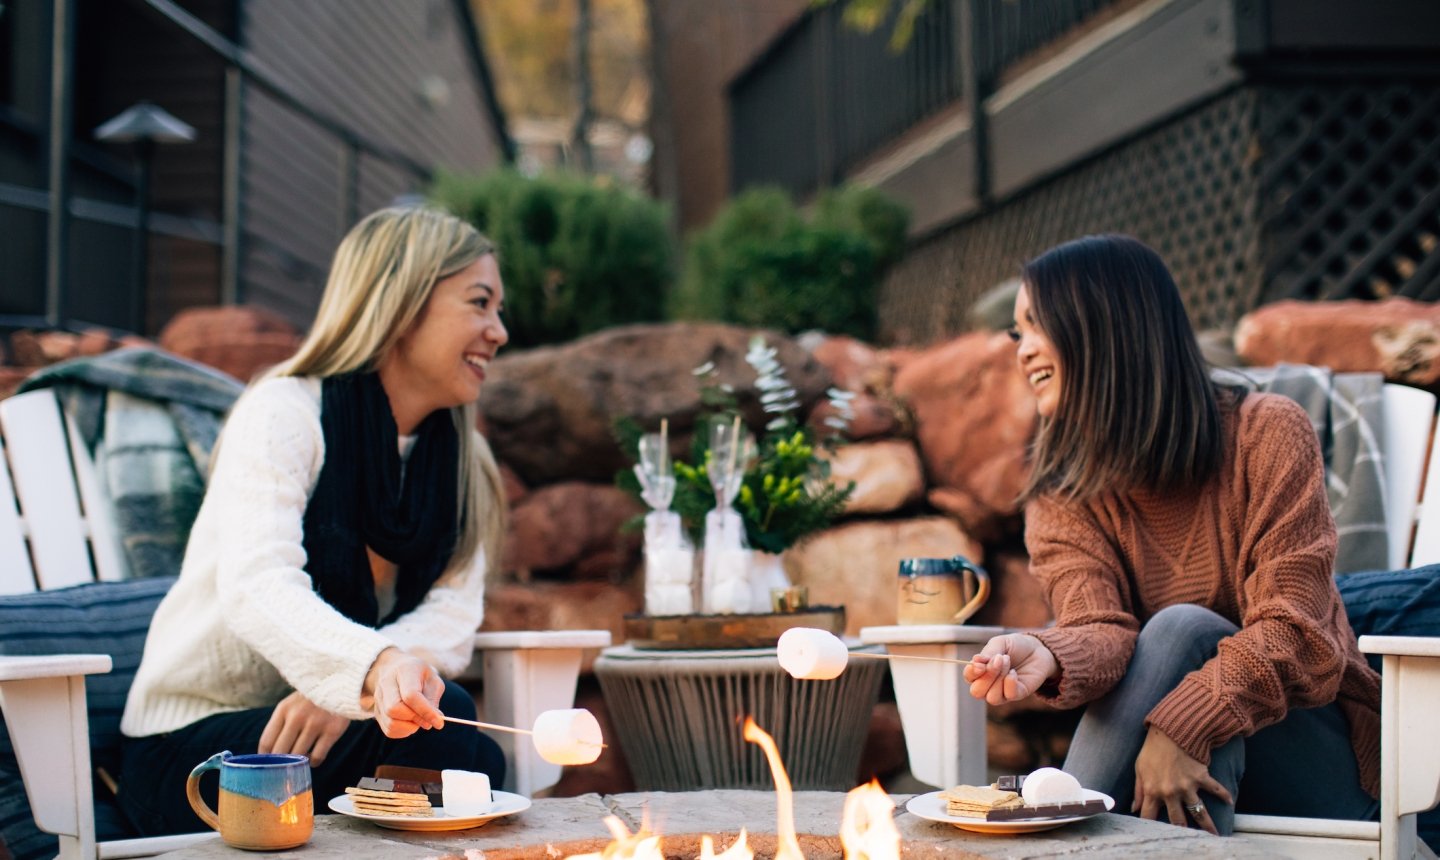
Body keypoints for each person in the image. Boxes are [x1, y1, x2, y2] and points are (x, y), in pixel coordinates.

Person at [964, 234, 1381, 836]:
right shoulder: (1061, 492)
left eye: (1037, 326)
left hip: (1318, 763)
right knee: (1186, 663)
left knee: (1185, 628)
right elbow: (1101, 630)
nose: (1023, 351)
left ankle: (1045, 841)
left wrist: (1180, 724)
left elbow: (1296, 631)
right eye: (1016, 334)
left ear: (1109, 324)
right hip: (1197, 758)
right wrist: (1052, 651)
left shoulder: (1266, 435)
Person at [117, 206, 510, 836]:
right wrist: (367, 675)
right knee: (459, 747)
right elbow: (258, 585)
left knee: (471, 756)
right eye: (479, 303)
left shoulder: (464, 461)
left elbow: (454, 618)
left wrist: (358, 695)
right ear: (401, 304)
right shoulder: (284, 412)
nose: (499, 331)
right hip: (195, 746)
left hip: (326, 736)